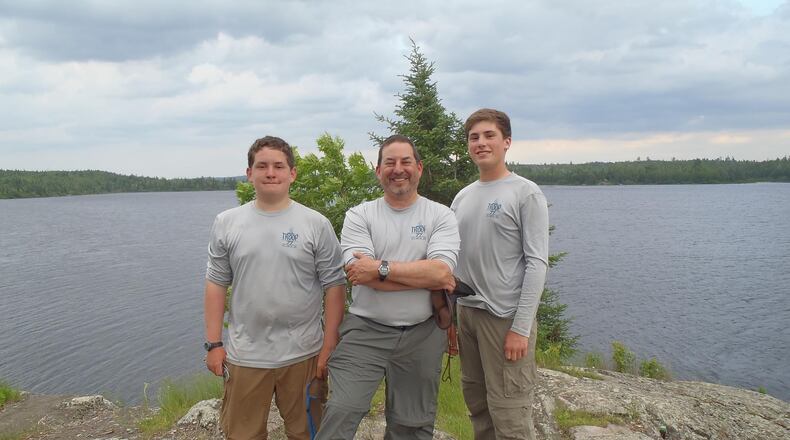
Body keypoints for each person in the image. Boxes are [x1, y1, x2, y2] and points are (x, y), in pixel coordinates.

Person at [316, 135, 460, 440]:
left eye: (406, 162)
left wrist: (380, 269)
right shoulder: (360, 215)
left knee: (413, 423)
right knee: (343, 408)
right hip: (365, 329)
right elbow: (358, 274)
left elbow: (442, 274)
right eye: (390, 163)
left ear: (419, 168)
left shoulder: (440, 215)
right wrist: (423, 279)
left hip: (422, 332)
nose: (398, 169)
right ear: (377, 170)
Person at [203, 136, 347, 440]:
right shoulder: (227, 223)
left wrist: (328, 344)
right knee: (242, 434)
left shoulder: (315, 224)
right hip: (246, 354)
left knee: (306, 433)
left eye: (279, 166)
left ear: (292, 173)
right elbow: (216, 283)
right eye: (262, 166)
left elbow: (335, 285)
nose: (271, 173)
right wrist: (214, 344)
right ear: (249, 173)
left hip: (303, 354)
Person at [451, 109, 549, 439]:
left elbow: (537, 263)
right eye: (474, 137)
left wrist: (521, 328)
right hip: (468, 315)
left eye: (489, 135)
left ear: (506, 142)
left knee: (510, 414)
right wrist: (451, 317)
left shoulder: (525, 193)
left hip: (504, 318)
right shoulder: (463, 197)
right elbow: (454, 262)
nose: (481, 143)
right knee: (479, 406)